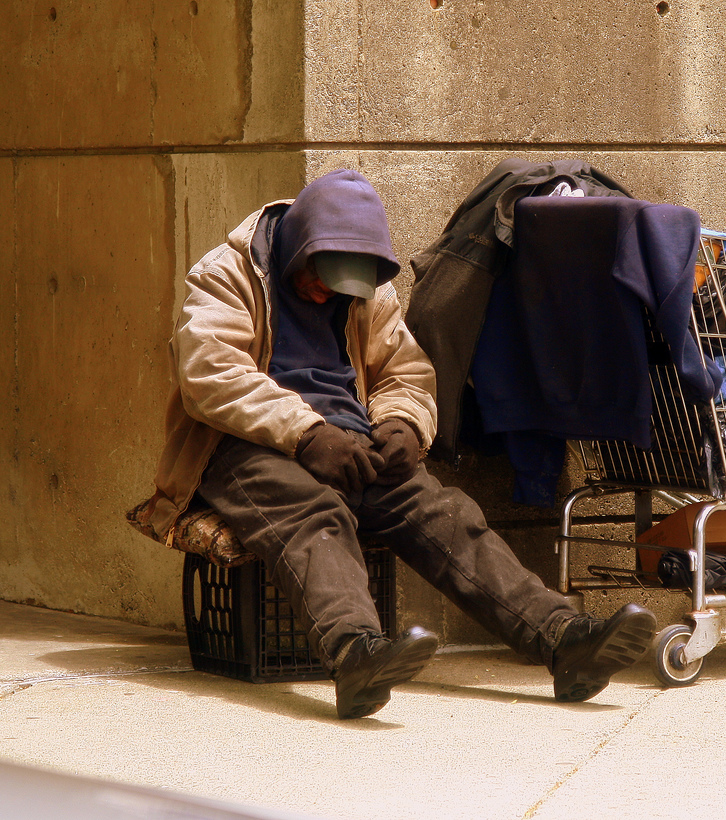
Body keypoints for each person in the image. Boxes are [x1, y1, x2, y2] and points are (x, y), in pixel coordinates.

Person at [143, 169, 657, 719]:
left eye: (341, 285)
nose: (328, 291)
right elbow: (211, 374)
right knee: (314, 512)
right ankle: (356, 654)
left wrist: (403, 424)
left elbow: (404, 372)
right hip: (241, 447)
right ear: (299, 247)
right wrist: (308, 433)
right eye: (320, 277)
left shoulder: (364, 286)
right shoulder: (226, 274)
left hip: (347, 444)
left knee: (446, 513)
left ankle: (564, 640)